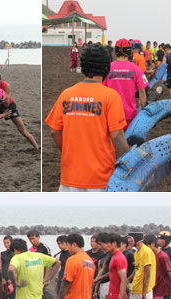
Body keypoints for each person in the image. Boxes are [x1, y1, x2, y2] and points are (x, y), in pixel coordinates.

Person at [46, 43, 130, 192]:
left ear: (83, 66)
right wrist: (129, 159)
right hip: (100, 178)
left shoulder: (66, 94)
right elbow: (117, 135)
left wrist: (67, 152)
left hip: (69, 177)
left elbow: (54, 130)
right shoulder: (110, 96)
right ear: (106, 67)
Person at [0, 68, 39, 152]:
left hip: (8, 107)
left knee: (21, 129)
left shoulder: (6, 85)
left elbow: (7, 103)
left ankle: (36, 147)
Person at [103, 39, 148, 128]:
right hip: (129, 114)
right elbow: (142, 91)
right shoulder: (136, 69)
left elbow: (102, 89)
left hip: (111, 114)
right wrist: (143, 108)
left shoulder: (107, 68)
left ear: (116, 51)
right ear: (129, 51)